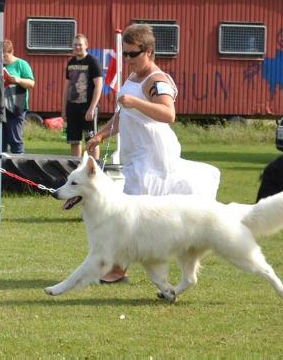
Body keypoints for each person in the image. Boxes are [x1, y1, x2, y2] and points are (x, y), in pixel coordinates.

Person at [86, 24, 220, 283]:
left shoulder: (157, 80)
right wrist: (101, 134)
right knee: (133, 214)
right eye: (124, 54)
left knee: (131, 214)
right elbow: (123, 116)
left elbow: (168, 114)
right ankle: (123, 266)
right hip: (135, 155)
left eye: (132, 54)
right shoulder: (133, 77)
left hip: (153, 158)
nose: (127, 60)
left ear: (148, 51)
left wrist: (135, 102)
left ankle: (118, 269)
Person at [62, 34, 103, 158]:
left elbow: (99, 85)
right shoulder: (71, 62)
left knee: (91, 141)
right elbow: (67, 87)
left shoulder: (93, 61)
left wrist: (92, 108)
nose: (77, 47)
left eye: (80, 44)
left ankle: (94, 169)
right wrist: (64, 109)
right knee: (74, 141)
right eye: (75, 44)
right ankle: (76, 168)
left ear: (86, 45)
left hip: (87, 108)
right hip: (72, 107)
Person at [2, 39, 35, 153]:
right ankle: (0, 169)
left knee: (15, 140)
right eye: (0, 56)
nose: (2, 59)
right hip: (0, 108)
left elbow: (31, 84)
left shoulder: (22, 64)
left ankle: (17, 169)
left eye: (5, 56)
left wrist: (18, 80)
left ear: (12, 52)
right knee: (0, 142)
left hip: (17, 107)